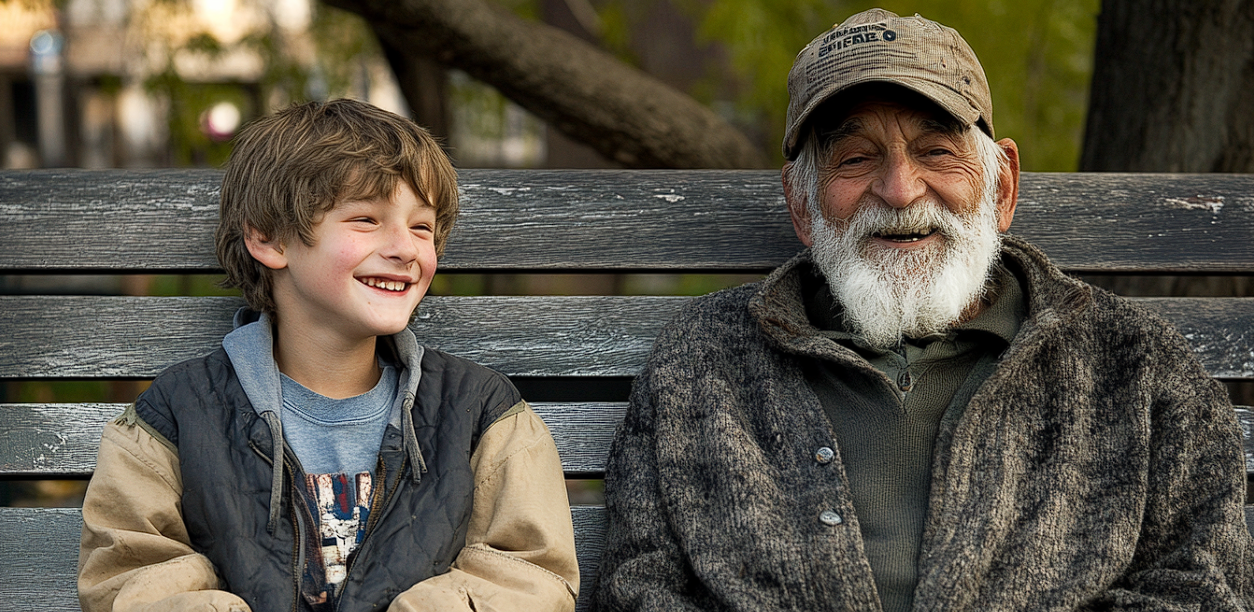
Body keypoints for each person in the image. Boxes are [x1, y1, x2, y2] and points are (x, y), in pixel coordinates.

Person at [592, 8, 1252, 612]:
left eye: (936, 150)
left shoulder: (1135, 365)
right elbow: (638, 590)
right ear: (803, 204)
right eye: (855, 158)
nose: (901, 190)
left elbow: (1206, 587)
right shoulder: (702, 364)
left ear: (1003, 186)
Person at [78, 99, 578, 612]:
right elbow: (130, 573)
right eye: (366, 219)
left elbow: (530, 574)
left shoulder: (481, 413)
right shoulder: (176, 416)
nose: (406, 248)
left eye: (422, 227)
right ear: (268, 237)